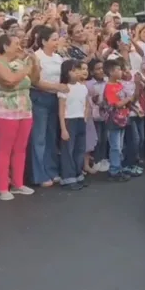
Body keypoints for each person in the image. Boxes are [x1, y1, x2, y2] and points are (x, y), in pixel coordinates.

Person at [0, 35, 35, 201]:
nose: (19, 47)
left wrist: (33, 63)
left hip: (24, 108)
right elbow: (9, 80)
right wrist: (26, 69)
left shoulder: (20, 63)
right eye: (15, 44)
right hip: (4, 110)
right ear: (5, 46)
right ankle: (2, 187)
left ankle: (18, 184)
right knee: (5, 148)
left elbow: (34, 79)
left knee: (20, 148)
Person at [29, 26, 69, 187]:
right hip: (39, 98)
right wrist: (55, 87)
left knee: (51, 136)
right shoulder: (36, 57)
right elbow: (35, 81)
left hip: (55, 99)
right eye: (53, 39)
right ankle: (39, 174)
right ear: (44, 41)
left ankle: (52, 170)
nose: (56, 42)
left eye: (56, 39)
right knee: (39, 138)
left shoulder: (58, 58)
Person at [58, 59, 89, 191]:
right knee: (68, 150)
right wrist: (63, 128)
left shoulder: (82, 87)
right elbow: (61, 109)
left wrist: (85, 116)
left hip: (80, 119)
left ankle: (77, 173)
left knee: (79, 149)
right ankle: (68, 177)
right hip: (69, 120)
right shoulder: (64, 88)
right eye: (73, 70)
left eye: (78, 70)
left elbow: (87, 103)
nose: (76, 73)